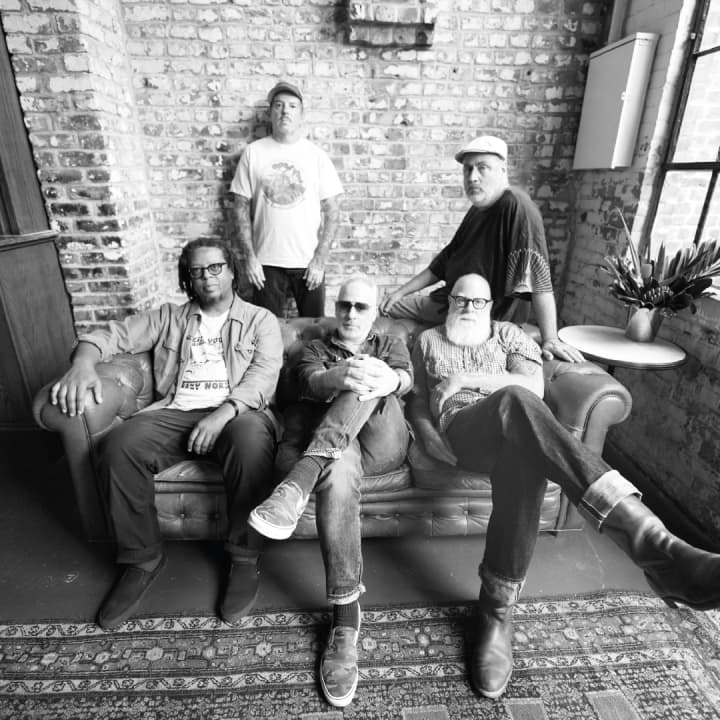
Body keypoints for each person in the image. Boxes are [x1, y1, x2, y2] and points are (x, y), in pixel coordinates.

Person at [409, 272, 720, 700]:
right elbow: (416, 397)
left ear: (491, 306)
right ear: (449, 302)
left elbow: (532, 385)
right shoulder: (427, 340)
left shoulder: (509, 335)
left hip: (514, 427)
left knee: (523, 446)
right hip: (465, 430)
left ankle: (496, 610)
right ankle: (653, 544)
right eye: (460, 299)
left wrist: (466, 380)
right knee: (516, 404)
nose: (468, 307)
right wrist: (426, 433)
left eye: (478, 301)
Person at [49, 239, 284, 630]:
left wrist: (221, 415)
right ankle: (141, 558)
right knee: (119, 446)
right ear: (187, 278)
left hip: (238, 412)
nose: (207, 277)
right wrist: (83, 364)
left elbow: (263, 376)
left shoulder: (261, 320)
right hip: (177, 412)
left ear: (231, 271)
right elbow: (110, 335)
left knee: (250, 443)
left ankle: (244, 556)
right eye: (197, 271)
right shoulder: (169, 317)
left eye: (215, 267)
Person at [248, 277, 413, 708]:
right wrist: (337, 376)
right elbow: (309, 381)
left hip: (381, 443)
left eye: (362, 306)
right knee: (339, 468)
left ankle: (298, 484)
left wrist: (388, 378)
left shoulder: (390, 342)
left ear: (375, 311)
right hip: (335, 451)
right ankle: (345, 618)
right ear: (336, 307)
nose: (352, 314)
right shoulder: (314, 347)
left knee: (368, 378)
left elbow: (406, 378)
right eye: (345, 305)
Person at [379, 135, 583, 363]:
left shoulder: (517, 207)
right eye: (467, 169)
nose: (472, 177)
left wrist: (550, 338)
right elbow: (442, 263)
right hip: (448, 302)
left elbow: (538, 278)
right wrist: (400, 292)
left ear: (503, 170)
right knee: (385, 305)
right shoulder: (478, 209)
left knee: (382, 308)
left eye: (482, 168)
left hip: (479, 314)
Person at [231, 80, 344, 317]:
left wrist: (320, 260)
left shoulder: (316, 156)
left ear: (302, 114)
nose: (285, 111)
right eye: (279, 105)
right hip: (265, 264)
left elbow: (333, 212)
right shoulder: (253, 153)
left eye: (292, 106)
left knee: (314, 329)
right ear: (270, 113)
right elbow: (239, 207)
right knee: (266, 331)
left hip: (308, 263)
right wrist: (250, 259)